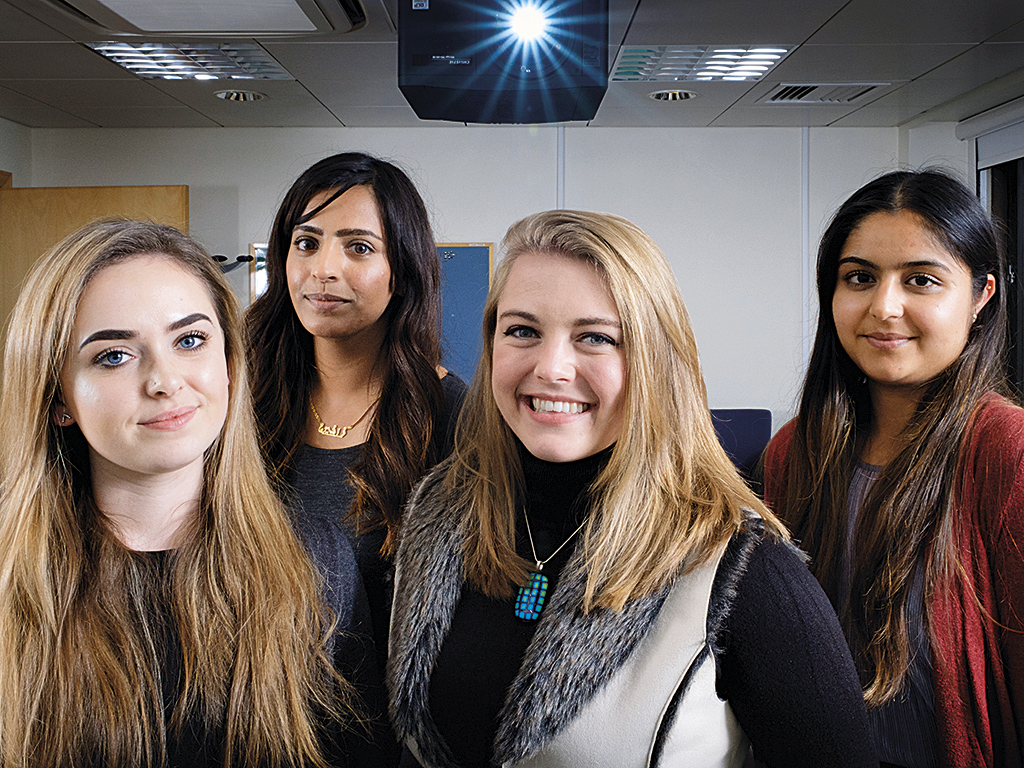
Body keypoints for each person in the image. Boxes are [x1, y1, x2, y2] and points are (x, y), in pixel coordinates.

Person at [388, 209, 876, 768]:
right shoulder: (439, 516)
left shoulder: (748, 571)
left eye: (596, 338)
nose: (551, 368)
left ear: (654, 361)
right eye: (522, 330)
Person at [0, 219, 369, 768]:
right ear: (57, 396)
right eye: (114, 355)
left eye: (190, 340)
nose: (166, 381)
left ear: (229, 364)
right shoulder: (11, 582)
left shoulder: (319, 564)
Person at [762, 170, 1024, 768]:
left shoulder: (1007, 454)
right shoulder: (795, 451)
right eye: (859, 278)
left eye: (921, 280)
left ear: (982, 296)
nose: (884, 307)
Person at [247, 153, 466, 670]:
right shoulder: (241, 399)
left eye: (359, 247)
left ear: (402, 269)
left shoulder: (451, 414)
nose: (324, 269)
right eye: (306, 243)